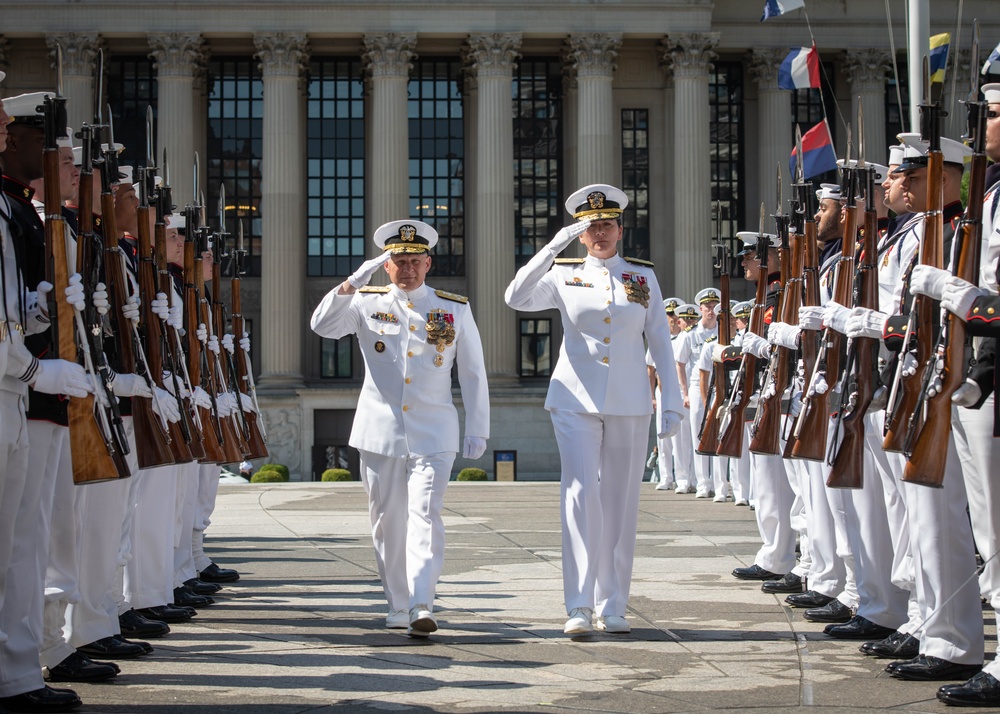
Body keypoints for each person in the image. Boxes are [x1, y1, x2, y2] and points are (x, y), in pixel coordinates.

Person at [504, 183, 683, 636]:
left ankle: (614, 603)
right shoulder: (563, 273)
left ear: (620, 230)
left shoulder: (642, 277)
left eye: (606, 225)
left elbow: (660, 340)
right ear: (581, 234)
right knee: (581, 494)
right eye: (591, 227)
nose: (599, 233)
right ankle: (579, 604)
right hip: (574, 398)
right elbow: (515, 297)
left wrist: (672, 404)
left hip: (629, 401)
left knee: (621, 501)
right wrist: (553, 244)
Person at [310, 219, 490, 637]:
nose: (407, 268)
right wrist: (353, 282)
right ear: (385, 266)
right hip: (380, 431)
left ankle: (422, 601)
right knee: (387, 521)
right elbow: (322, 326)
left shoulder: (453, 307)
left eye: (414, 261)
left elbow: (475, 372)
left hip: (434, 431)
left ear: (429, 263)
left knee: (425, 514)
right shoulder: (365, 302)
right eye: (398, 261)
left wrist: (477, 426)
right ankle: (398, 603)